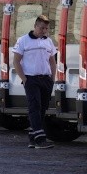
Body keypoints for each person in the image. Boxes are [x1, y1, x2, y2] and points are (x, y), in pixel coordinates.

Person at [12, 14, 57, 149]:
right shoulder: (23, 40)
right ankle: (40, 138)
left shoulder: (48, 41)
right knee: (34, 106)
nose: (44, 31)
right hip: (31, 79)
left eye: (46, 29)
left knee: (43, 108)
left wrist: (52, 78)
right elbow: (16, 61)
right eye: (41, 28)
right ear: (35, 26)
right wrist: (24, 79)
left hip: (46, 79)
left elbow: (52, 61)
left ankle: (33, 137)